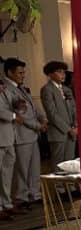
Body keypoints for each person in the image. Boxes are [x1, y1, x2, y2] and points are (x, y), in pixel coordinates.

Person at [3, 58, 47, 208]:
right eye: (20, 73)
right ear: (9, 72)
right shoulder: (7, 88)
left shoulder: (22, 88)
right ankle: (22, 196)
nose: (23, 75)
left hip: (33, 134)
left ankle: (34, 194)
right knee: (22, 169)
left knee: (35, 167)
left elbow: (34, 107)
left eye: (23, 72)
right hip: (21, 134)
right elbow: (21, 115)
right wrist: (37, 125)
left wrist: (44, 119)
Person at [40, 61, 77, 170]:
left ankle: (70, 187)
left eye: (64, 72)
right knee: (59, 164)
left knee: (70, 164)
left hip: (72, 133)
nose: (63, 75)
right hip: (58, 133)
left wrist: (75, 126)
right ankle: (59, 188)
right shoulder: (47, 89)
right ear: (50, 74)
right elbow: (52, 114)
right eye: (59, 72)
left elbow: (74, 109)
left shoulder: (67, 89)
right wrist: (68, 129)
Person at [0, 75, 20, 220]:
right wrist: (14, 116)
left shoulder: (4, 87)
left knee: (7, 174)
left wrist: (18, 104)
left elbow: (11, 103)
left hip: (8, 137)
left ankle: (6, 203)